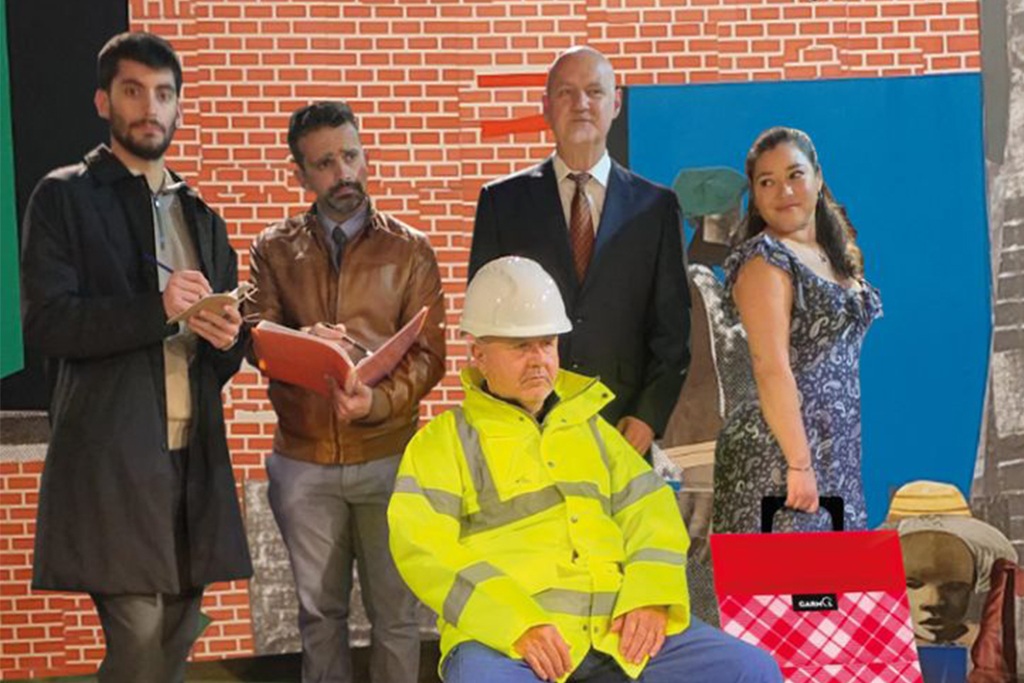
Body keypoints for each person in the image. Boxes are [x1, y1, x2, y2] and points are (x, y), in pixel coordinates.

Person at [388, 256, 781, 683]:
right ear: (479, 354)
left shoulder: (594, 432)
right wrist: (515, 623)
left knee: (752, 671)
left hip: (616, 630)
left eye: (547, 344)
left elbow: (652, 515)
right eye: (520, 346)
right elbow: (424, 550)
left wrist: (651, 597)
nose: (538, 360)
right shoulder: (442, 443)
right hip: (508, 643)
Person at [20, 32, 251, 683]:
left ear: (178, 106)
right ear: (103, 101)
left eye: (163, 93)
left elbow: (222, 355)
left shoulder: (201, 215)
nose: (150, 107)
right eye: (133, 91)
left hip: (194, 458)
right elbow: (47, 323)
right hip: (112, 457)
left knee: (177, 629)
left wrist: (228, 337)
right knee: (141, 637)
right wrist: (158, 309)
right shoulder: (63, 197)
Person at [245, 100, 446, 683]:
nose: (344, 173)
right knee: (319, 618)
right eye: (326, 163)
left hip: (389, 458)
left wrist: (375, 402)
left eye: (351, 156)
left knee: (397, 617)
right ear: (300, 174)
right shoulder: (273, 248)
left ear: (366, 156)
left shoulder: (411, 249)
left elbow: (430, 356)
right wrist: (301, 341)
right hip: (303, 462)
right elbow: (255, 337)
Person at [469, 46, 690, 457]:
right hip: (526, 427)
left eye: (594, 91)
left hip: (621, 428)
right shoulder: (502, 202)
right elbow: (484, 321)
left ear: (616, 103)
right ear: (546, 106)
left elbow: (673, 331)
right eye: (566, 92)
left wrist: (648, 417)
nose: (581, 104)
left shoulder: (656, 208)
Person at [712, 127, 883, 534]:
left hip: (834, 450)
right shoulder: (765, 258)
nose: (784, 191)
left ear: (818, 178)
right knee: (788, 575)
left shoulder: (831, 255)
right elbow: (770, 366)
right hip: (780, 454)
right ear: (755, 196)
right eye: (767, 182)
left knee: (836, 573)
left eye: (794, 175)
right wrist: (799, 463)